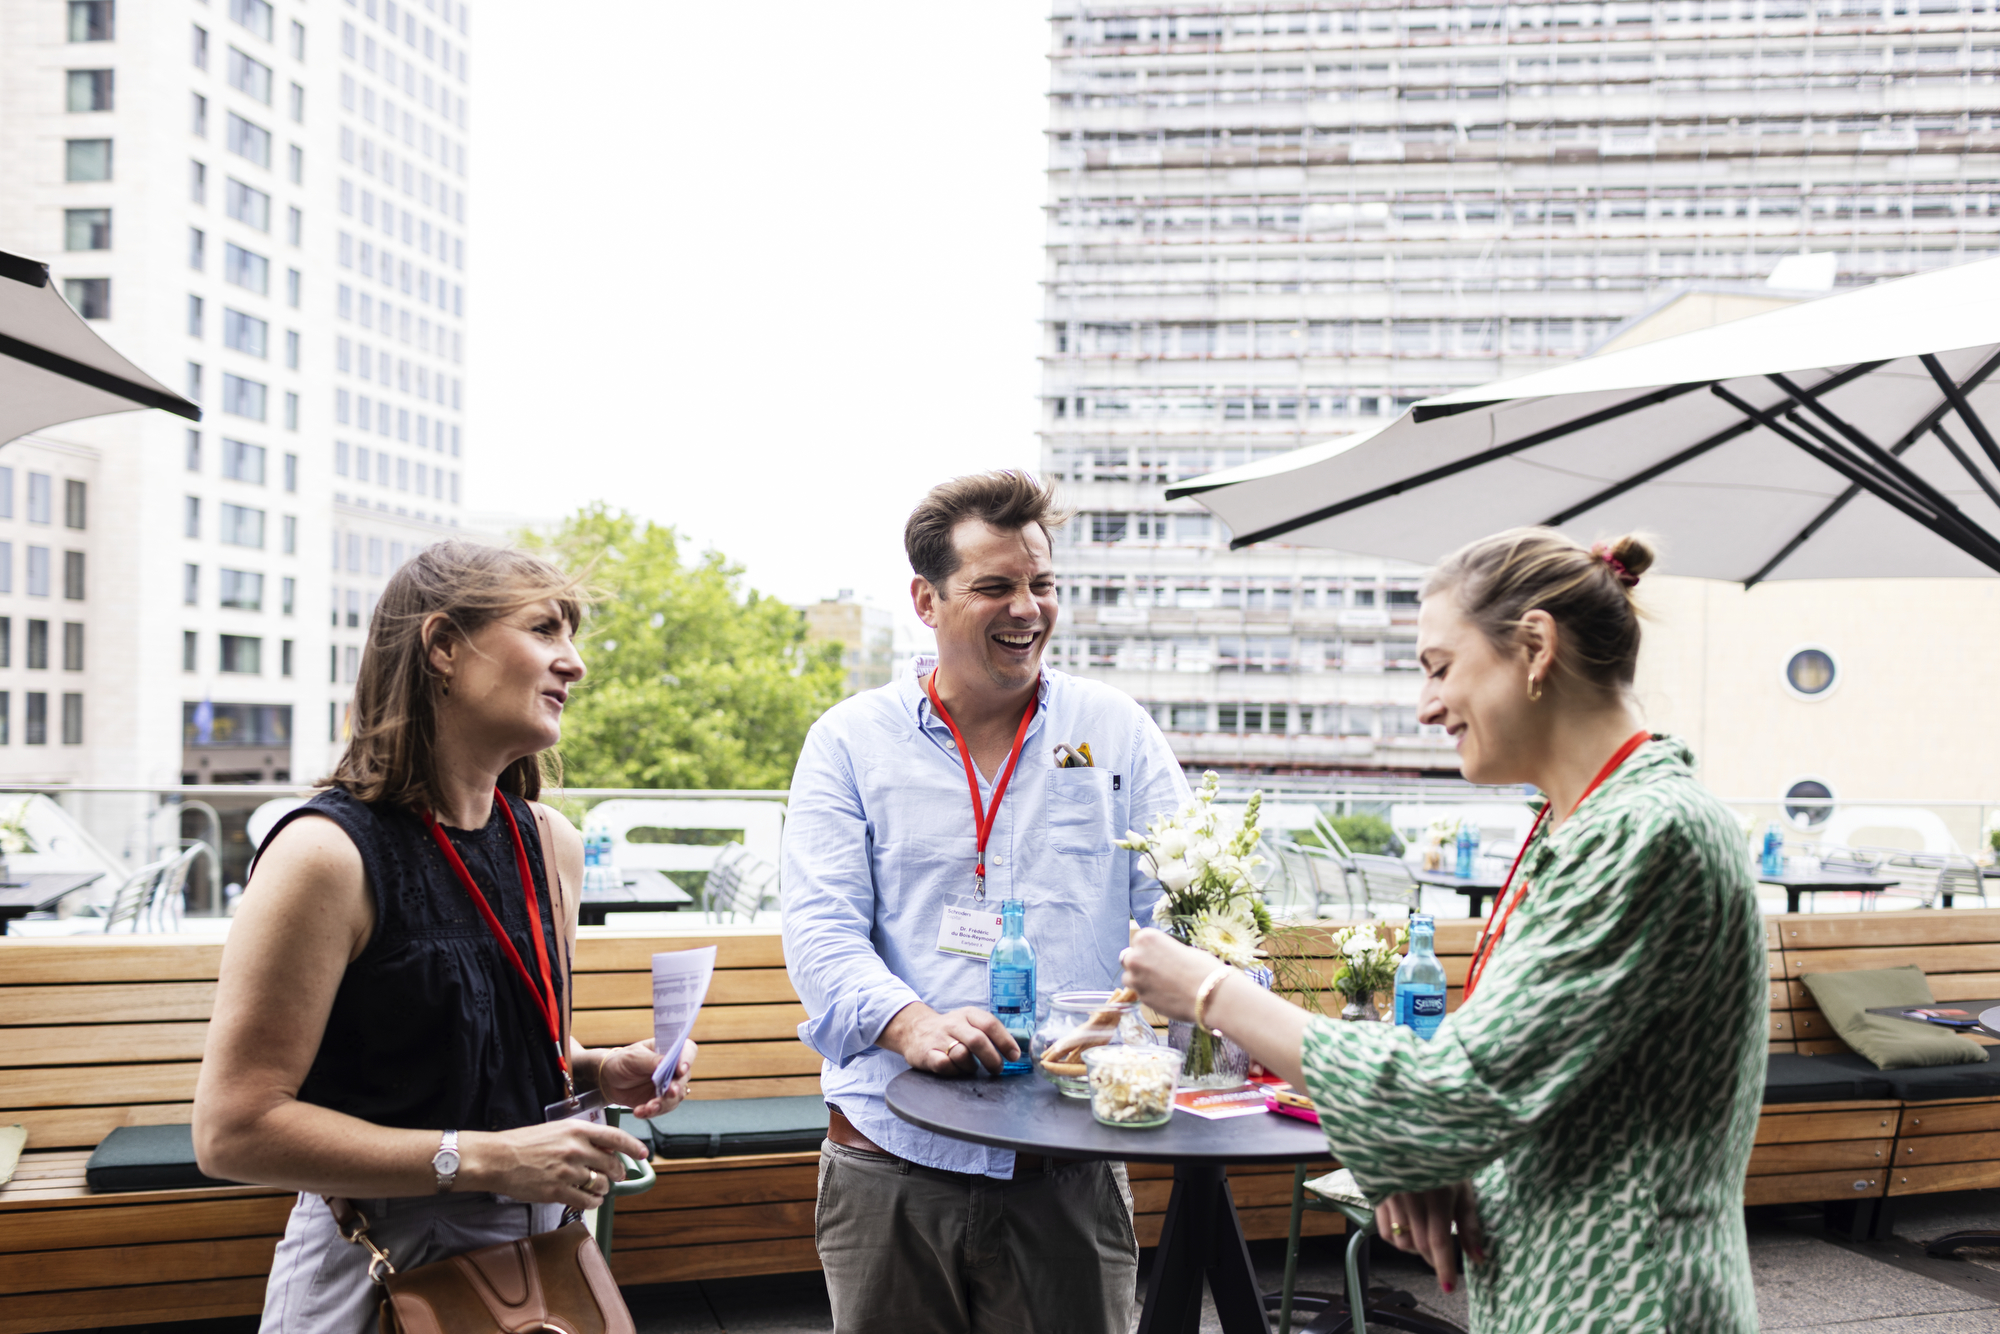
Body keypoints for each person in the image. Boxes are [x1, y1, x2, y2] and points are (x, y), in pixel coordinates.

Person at [1122, 528, 1766, 1334]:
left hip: (1628, 1301)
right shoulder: (1592, 823)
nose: (1426, 705)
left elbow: (1454, 1089)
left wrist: (1211, 989)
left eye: (1439, 667)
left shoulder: (1645, 833)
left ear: (1535, 647)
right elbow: (1529, 1075)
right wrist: (1433, 1152)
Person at [192, 541, 695, 1332]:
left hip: (544, 1263)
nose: (575, 664)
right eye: (545, 630)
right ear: (443, 647)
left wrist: (601, 1070)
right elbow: (234, 1132)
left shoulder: (550, 844)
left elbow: (496, 1050)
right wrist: (494, 1159)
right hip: (377, 1269)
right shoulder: (325, 855)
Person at [782, 471, 1190, 1333]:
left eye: (1043, 584)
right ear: (926, 601)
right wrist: (909, 1024)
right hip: (892, 1157)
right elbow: (820, 931)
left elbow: (1179, 909)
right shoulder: (849, 741)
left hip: (1069, 1158)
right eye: (995, 586)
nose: (1027, 609)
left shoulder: (1116, 730)